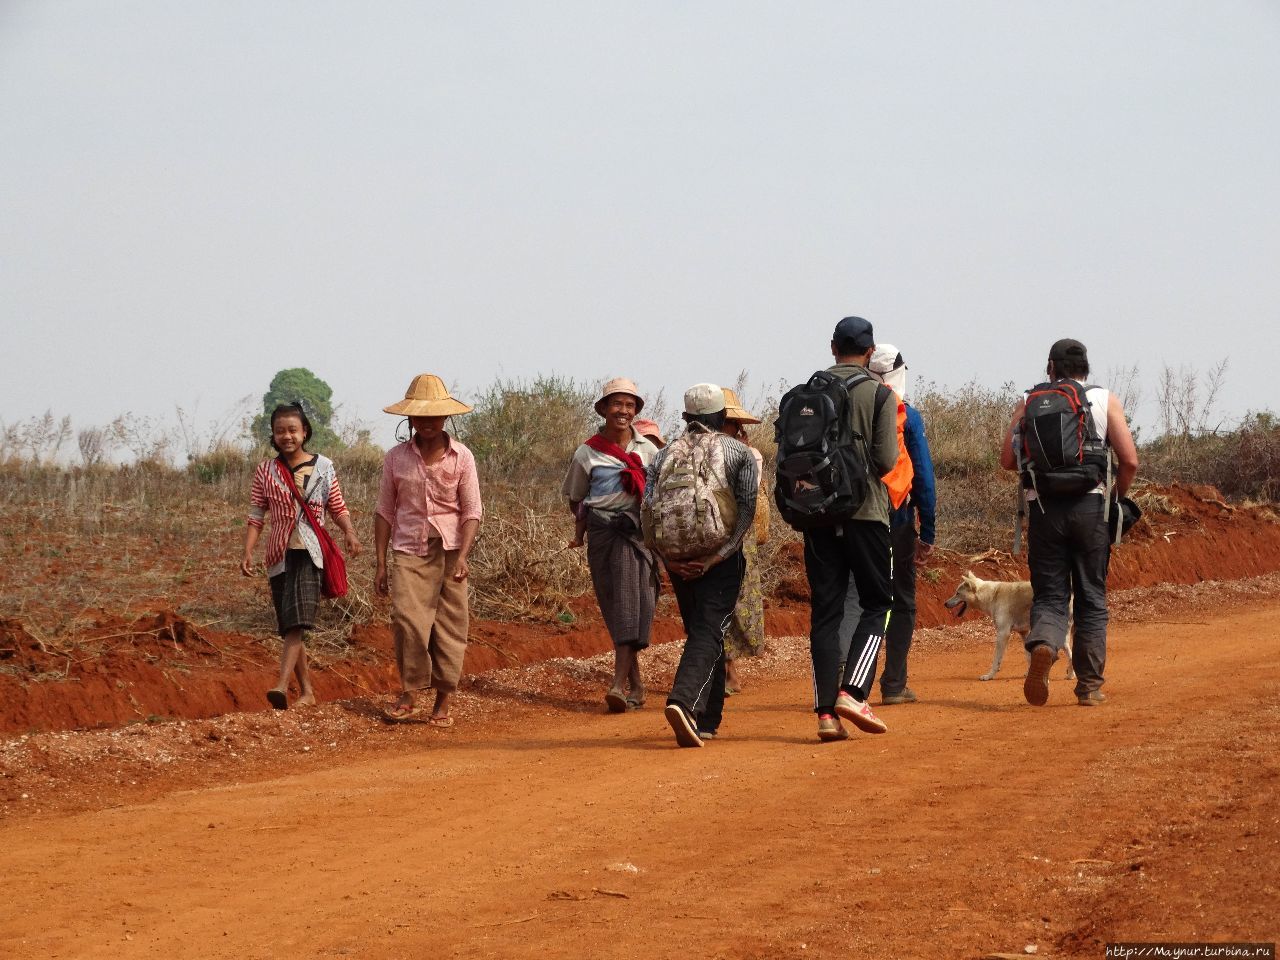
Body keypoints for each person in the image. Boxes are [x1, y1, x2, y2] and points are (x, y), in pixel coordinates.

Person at [1000, 339, 1138, 706]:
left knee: (1050, 594)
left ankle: (1045, 642)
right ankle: (1089, 687)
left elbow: (1007, 461)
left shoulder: (1029, 402)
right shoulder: (1104, 400)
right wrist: (1116, 499)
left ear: (1051, 368)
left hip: (1044, 512)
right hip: (1090, 509)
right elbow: (1130, 461)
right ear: (1086, 368)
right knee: (1091, 596)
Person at [644, 384, 758, 747]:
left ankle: (708, 719)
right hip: (720, 557)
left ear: (685, 418)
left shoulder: (662, 456)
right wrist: (719, 556)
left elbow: (646, 511)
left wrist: (668, 560)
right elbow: (747, 510)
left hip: (678, 558)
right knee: (711, 628)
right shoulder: (737, 451)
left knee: (702, 629)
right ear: (723, 418)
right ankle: (683, 701)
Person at [803, 316, 899, 742]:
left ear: (832, 347)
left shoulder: (807, 392)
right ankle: (854, 691)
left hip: (818, 515)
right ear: (869, 351)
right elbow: (885, 462)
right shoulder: (878, 394)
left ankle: (826, 715)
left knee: (826, 610)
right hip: (866, 514)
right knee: (877, 601)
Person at [376, 374, 483, 725]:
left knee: (451, 625)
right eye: (419, 416)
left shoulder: (462, 457)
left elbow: (472, 512)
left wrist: (464, 555)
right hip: (408, 549)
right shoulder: (395, 459)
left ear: (445, 418)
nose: (426, 423)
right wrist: (380, 563)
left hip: (451, 549)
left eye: (434, 416)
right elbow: (384, 511)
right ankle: (409, 693)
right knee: (408, 621)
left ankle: (443, 702)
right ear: (409, 419)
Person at [242, 402, 362, 710]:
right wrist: (248, 551)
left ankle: (282, 684)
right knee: (289, 625)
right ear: (273, 434)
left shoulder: (323, 467)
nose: (287, 436)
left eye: (292, 430)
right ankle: (307, 692)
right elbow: (257, 514)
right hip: (279, 556)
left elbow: (337, 506)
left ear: (304, 432)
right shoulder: (265, 471)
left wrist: (349, 532)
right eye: (280, 431)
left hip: (310, 555)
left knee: (295, 623)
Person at [562, 378, 661, 712]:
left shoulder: (649, 451)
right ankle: (629, 685)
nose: (623, 411)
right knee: (618, 606)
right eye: (616, 404)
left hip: (639, 536)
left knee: (637, 605)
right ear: (603, 409)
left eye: (630, 405)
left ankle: (625, 684)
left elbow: (660, 497)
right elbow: (576, 498)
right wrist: (583, 530)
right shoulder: (587, 452)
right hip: (604, 534)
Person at [868, 345, 937, 706]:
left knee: (857, 599)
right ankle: (894, 683)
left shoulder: (850, 409)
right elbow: (922, 475)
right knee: (902, 601)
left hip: (853, 523)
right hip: (896, 520)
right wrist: (927, 532)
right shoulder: (907, 416)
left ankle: (848, 682)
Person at [719, 387, 766, 698]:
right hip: (711, 535)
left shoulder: (750, 456)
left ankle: (728, 667)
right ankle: (722, 668)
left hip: (737, 535)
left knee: (737, 600)